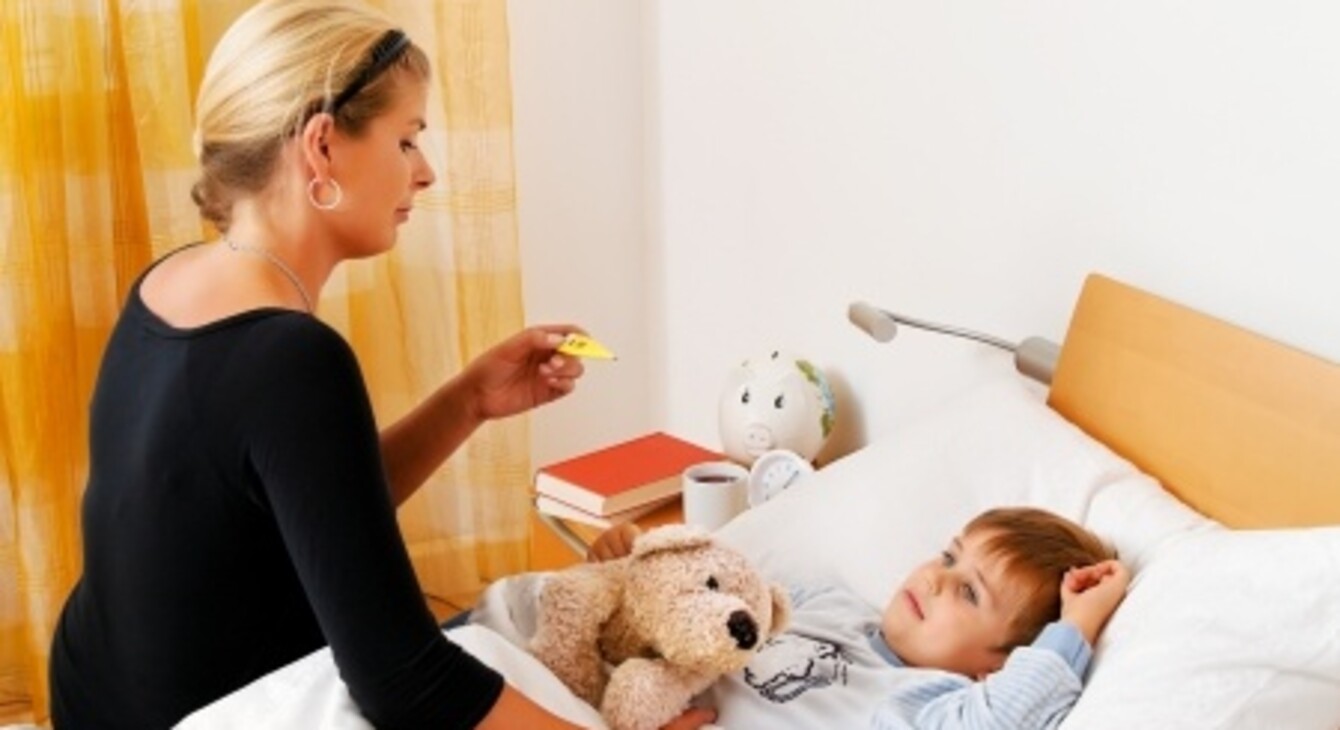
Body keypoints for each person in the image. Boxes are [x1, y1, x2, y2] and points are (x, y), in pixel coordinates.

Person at [46, 2, 713, 729]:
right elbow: (409, 682)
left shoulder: (169, 283)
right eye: (407, 140)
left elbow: (323, 517)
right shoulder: (291, 357)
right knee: (513, 642)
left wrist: (469, 400)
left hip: (92, 701)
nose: (425, 173)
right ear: (322, 147)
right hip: (218, 715)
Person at [479, 506, 1129, 729]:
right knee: (490, 647)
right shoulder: (828, 605)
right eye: (948, 556)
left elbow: (1009, 715)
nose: (935, 578)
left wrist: (1077, 622)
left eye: (969, 594)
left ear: (999, 666)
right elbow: (704, 607)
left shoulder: (927, 701)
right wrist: (629, 569)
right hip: (616, 706)